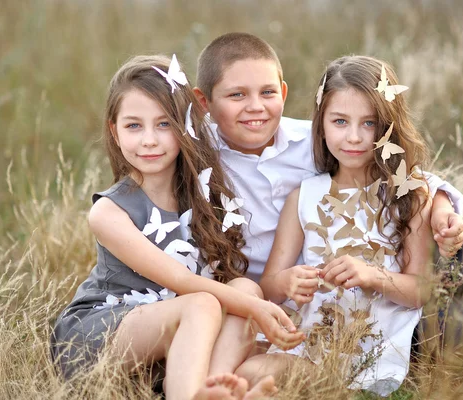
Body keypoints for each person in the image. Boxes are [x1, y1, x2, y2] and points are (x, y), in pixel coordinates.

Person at [192, 32, 463, 327]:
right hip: (320, 289)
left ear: (283, 93)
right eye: (237, 95)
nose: (255, 107)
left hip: (404, 240)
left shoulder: (314, 136)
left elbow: (398, 170)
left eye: (267, 93)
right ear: (205, 102)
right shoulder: (198, 160)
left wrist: (441, 204)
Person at [50, 54, 303, 400]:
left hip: (181, 336)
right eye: (134, 126)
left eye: (164, 124)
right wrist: (257, 310)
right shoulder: (109, 212)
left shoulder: (204, 193)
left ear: (185, 126)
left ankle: (210, 386)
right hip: (104, 333)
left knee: (244, 287)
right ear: (114, 130)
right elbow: (183, 282)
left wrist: (253, 299)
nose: (149, 140)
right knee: (204, 303)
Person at [232, 55, 440, 396]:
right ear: (322, 124)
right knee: (249, 373)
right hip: (309, 343)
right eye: (340, 121)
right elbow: (268, 286)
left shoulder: (409, 195)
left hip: (374, 347)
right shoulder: (304, 196)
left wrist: (372, 275)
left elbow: (422, 290)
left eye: (370, 123)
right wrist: (286, 282)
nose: (354, 137)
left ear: (389, 124)